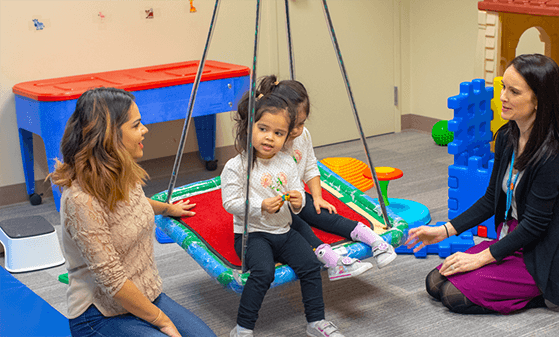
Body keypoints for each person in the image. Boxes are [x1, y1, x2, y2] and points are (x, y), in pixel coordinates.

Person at [406, 54, 559, 314]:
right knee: (435, 283)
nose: (503, 96)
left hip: (541, 251)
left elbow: (535, 225)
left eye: (514, 91)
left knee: (453, 296)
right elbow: (491, 197)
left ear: (539, 100)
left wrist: (479, 258)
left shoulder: (555, 153)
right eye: (503, 87)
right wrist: (444, 231)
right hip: (512, 236)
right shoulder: (507, 135)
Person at [48, 87, 216, 337]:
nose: (144, 130)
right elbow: (113, 282)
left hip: (143, 296)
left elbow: (132, 205)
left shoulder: (120, 171)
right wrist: (162, 321)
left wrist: (168, 209)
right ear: (110, 136)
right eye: (136, 125)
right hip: (98, 314)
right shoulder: (80, 201)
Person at [221, 89, 344, 337]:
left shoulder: (287, 161)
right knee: (263, 272)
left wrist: (298, 201)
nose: (270, 138)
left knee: (311, 266)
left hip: (284, 231)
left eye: (278, 133)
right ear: (249, 127)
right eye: (263, 129)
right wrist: (260, 206)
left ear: (287, 136)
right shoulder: (236, 166)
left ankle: (316, 322)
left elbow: (295, 194)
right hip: (252, 234)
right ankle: (243, 327)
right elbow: (230, 203)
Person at [253, 75, 397, 282]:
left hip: (297, 196)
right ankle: (333, 262)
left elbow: (311, 165)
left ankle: (376, 242)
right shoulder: (271, 141)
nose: (296, 130)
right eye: (291, 124)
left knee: (323, 213)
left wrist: (318, 196)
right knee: (297, 228)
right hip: (274, 206)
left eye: (301, 123)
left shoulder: (303, 136)